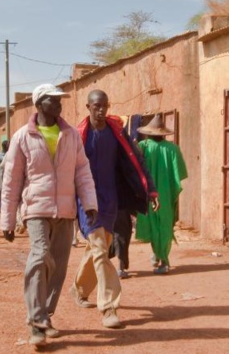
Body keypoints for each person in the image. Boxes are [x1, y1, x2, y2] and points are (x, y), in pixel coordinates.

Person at [1, 83, 99, 347]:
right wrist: (8, 220)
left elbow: (82, 172)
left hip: (65, 211)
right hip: (36, 210)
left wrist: (90, 204)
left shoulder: (70, 135)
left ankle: (45, 315)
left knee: (58, 265)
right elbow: (12, 180)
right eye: (53, 100)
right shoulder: (23, 136)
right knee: (39, 255)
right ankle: (36, 321)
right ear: (39, 103)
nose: (59, 104)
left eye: (60, 100)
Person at [71, 90, 158, 328]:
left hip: (111, 199)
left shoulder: (117, 133)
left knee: (97, 249)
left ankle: (78, 289)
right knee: (100, 249)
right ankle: (109, 307)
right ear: (88, 107)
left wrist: (149, 190)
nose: (101, 111)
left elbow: (136, 161)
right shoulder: (77, 136)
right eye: (96, 106)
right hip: (87, 201)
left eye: (104, 106)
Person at [135, 114, 188, 275]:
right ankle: (161, 256)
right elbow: (179, 173)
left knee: (152, 224)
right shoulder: (172, 148)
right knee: (164, 226)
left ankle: (162, 259)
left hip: (148, 193)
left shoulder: (143, 146)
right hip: (165, 193)